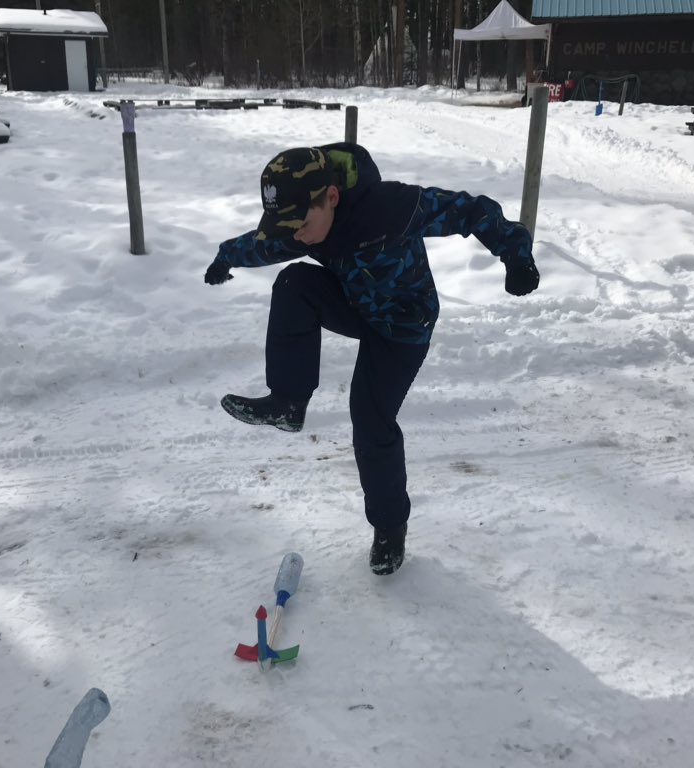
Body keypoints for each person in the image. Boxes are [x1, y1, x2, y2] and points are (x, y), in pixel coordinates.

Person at [204, 143, 539, 575]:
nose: (298, 236)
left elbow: (471, 210)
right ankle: (288, 401)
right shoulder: (304, 224)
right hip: (356, 307)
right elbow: (264, 246)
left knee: (370, 420)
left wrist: (516, 255)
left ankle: (389, 529)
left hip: (402, 329)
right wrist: (225, 256)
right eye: (289, 228)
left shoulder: (392, 208)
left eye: (302, 225)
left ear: (332, 197)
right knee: (293, 282)